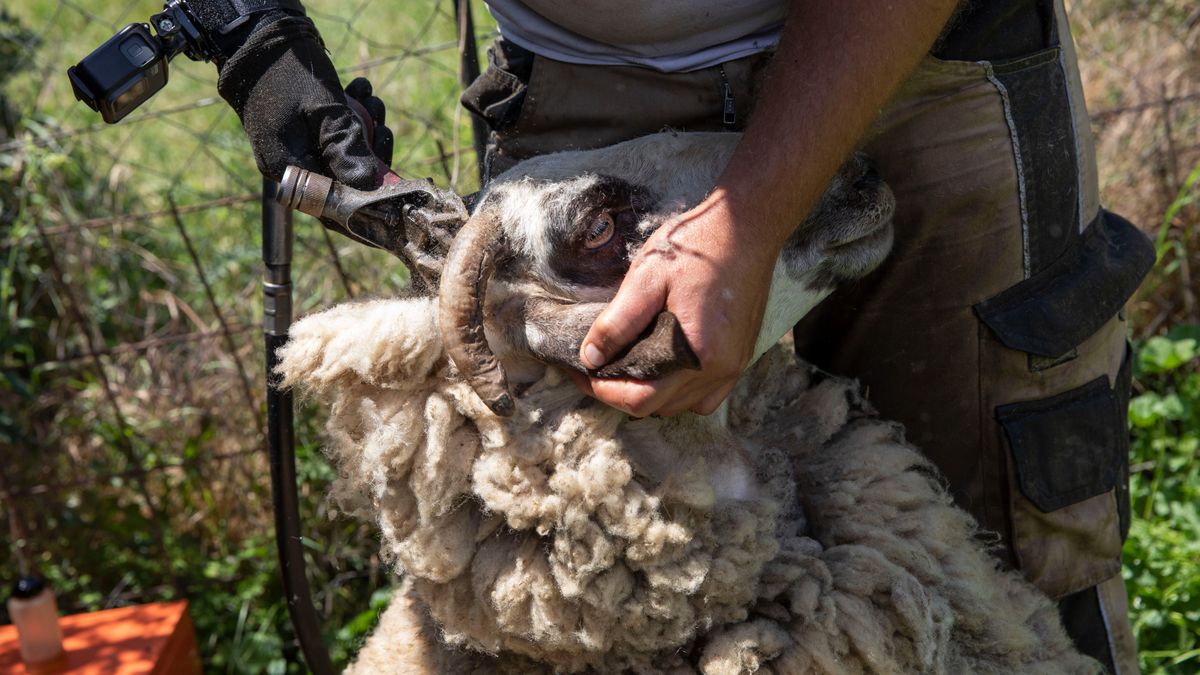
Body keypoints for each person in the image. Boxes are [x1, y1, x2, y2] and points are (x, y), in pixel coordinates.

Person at [191, 0, 1154, 671]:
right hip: (584, 78)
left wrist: (756, 214)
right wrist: (256, 35)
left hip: (911, 52)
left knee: (1001, 578)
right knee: (591, 588)